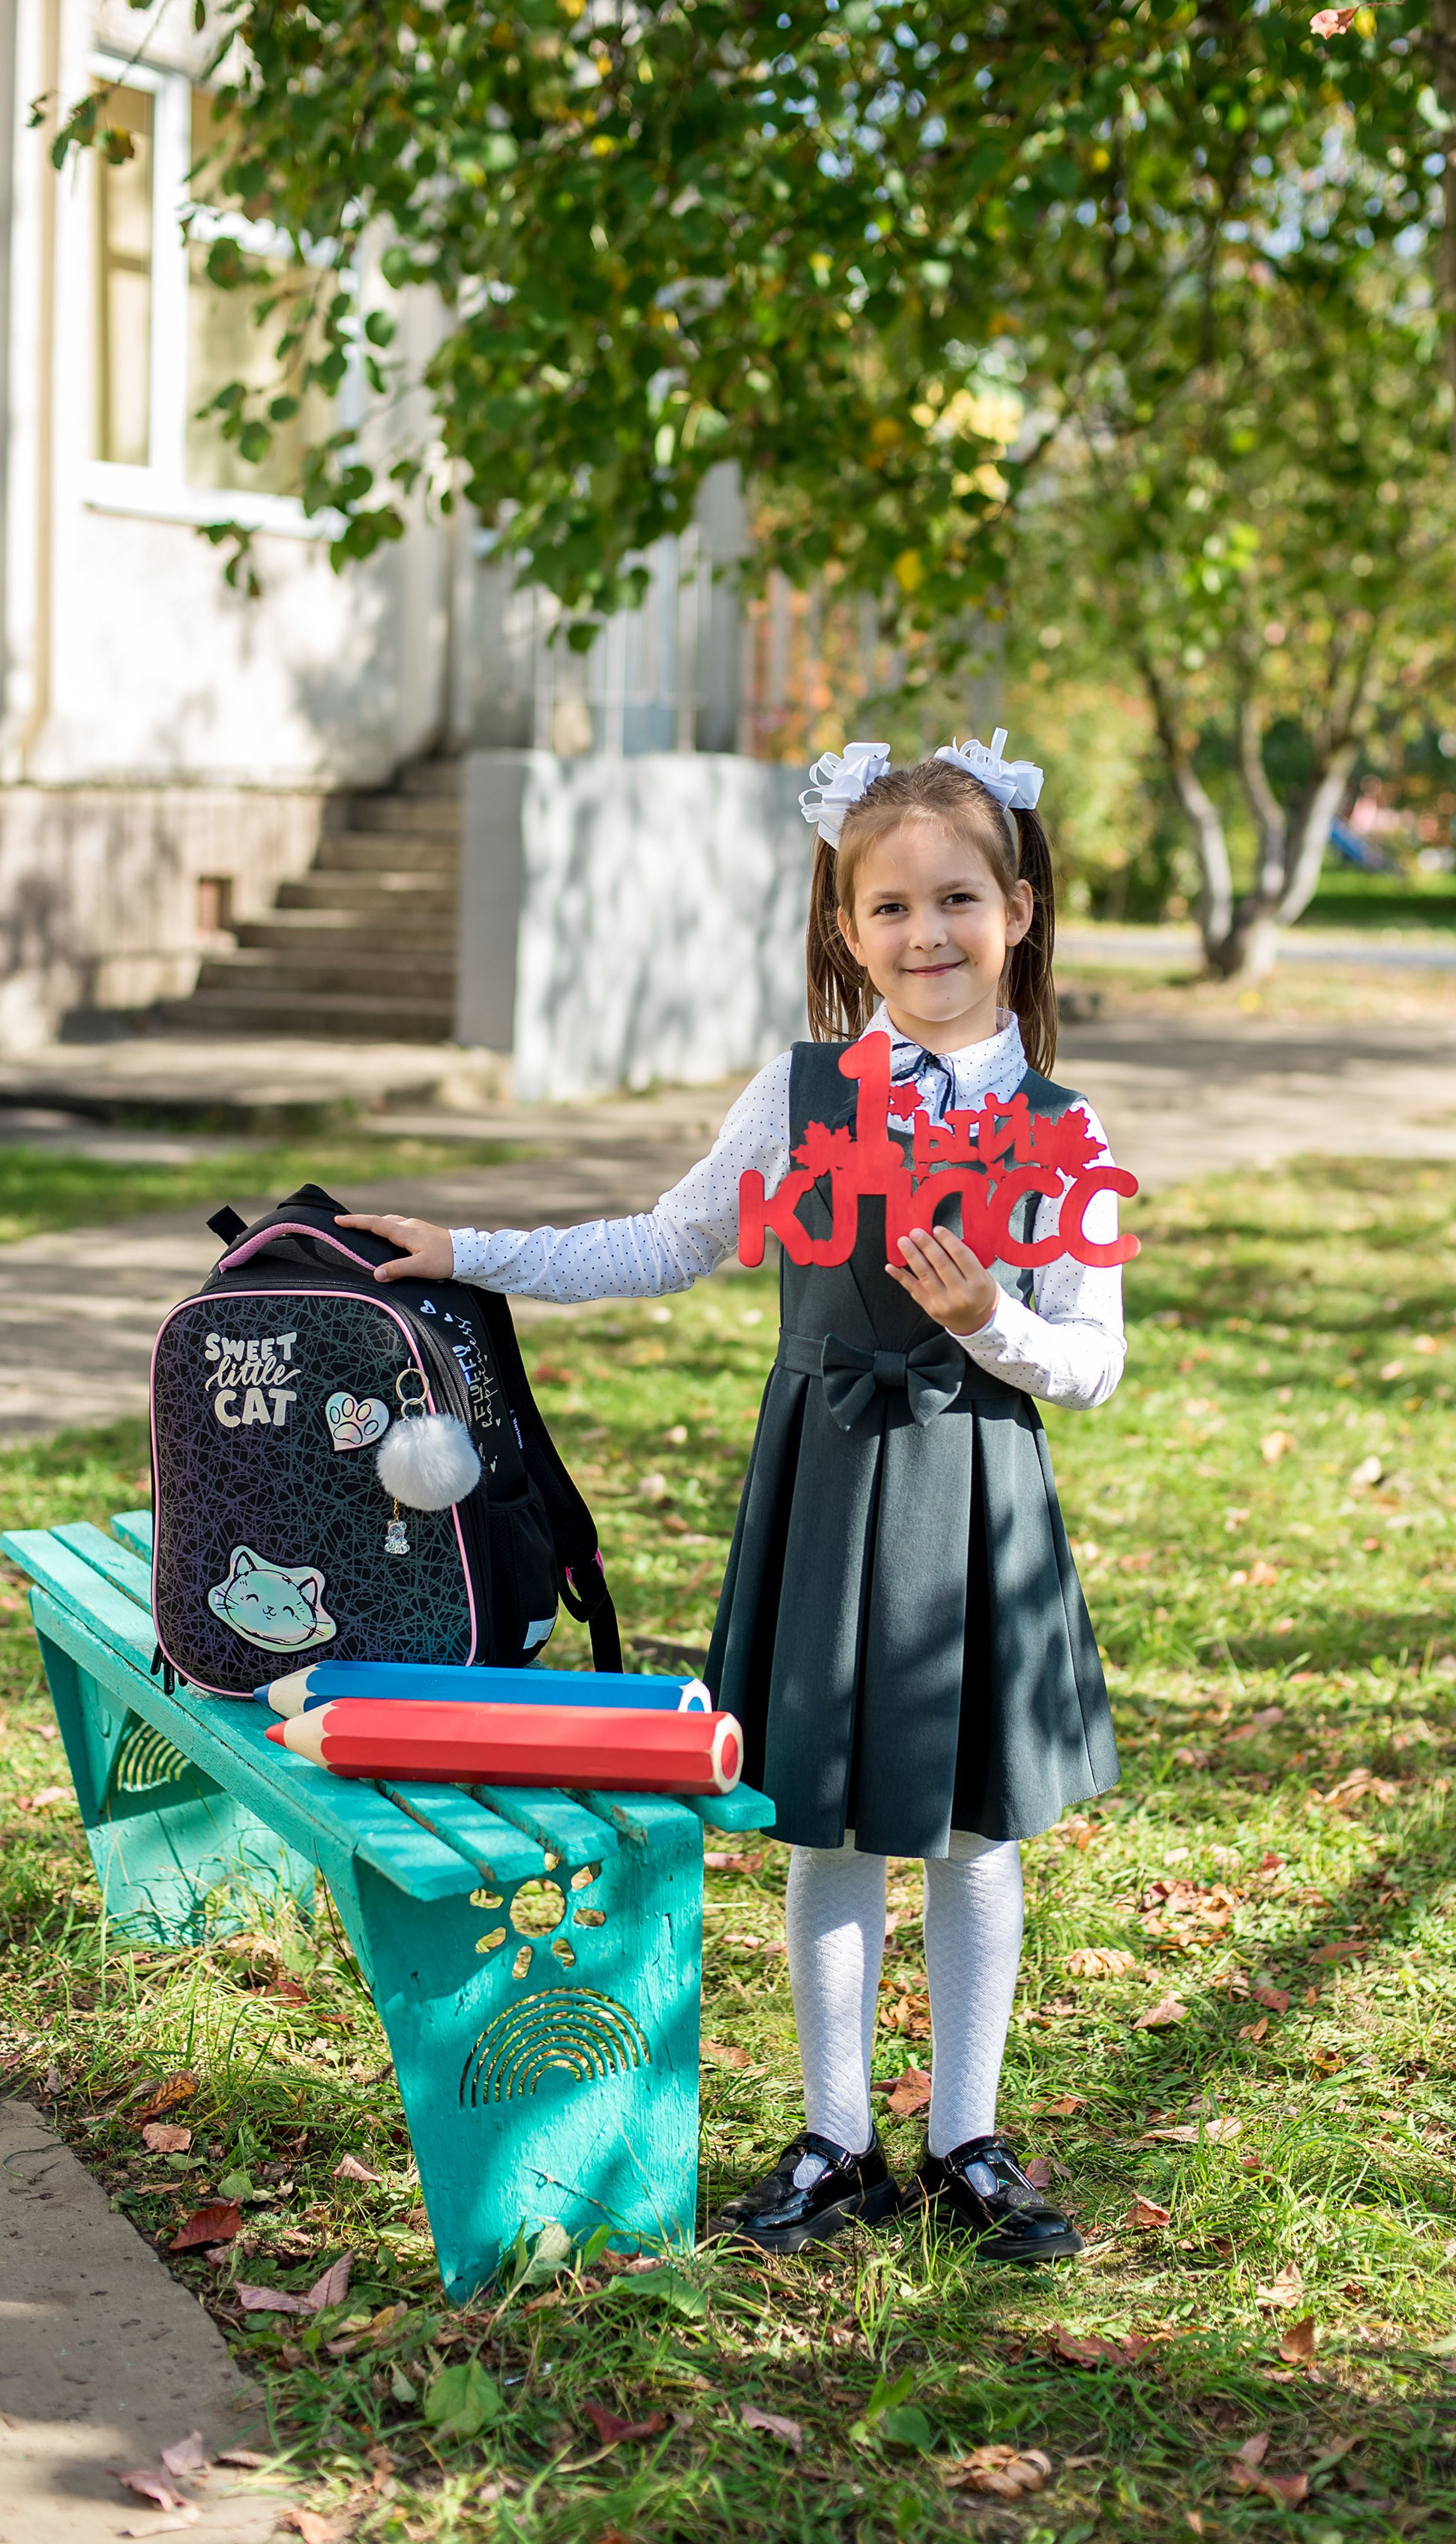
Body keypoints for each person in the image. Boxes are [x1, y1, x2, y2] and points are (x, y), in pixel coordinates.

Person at [338, 733, 1127, 2264]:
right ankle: (838, 2137)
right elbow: (658, 1242)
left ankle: (966, 2134)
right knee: (826, 1823)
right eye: (888, 907)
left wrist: (990, 1324)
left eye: (958, 898)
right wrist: (468, 1245)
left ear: (1017, 908)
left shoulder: (1063, 1128)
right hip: (829, 1495)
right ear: (847, 929)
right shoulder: (801, 1089)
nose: (926, 933)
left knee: (971, 1831)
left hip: (969, 1496)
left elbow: (1088, 1361)